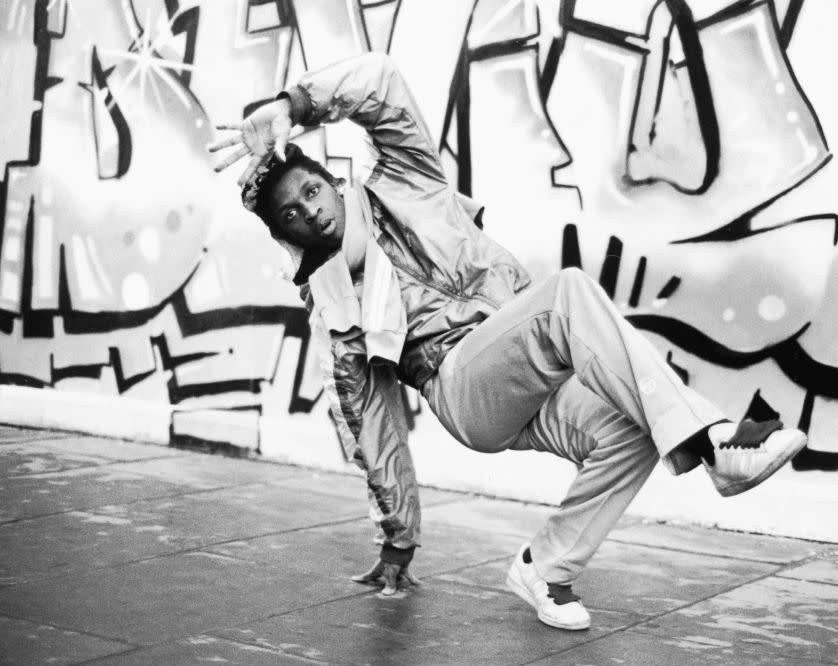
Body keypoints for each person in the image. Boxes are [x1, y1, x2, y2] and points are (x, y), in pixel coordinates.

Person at [208, 52, 807, 631]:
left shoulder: (409, 182)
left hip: (530, 367)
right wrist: (398, 537)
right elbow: (376, 427)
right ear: (284, 235)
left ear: (333, 182)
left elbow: (382, 81)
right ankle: (713, 445)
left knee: (634, 429)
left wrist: (297, 104)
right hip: (465, 388)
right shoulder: (337, 309)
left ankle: (547, 570)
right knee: (567, 293)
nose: (308, 213)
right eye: (289, 216)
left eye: (310, 193)